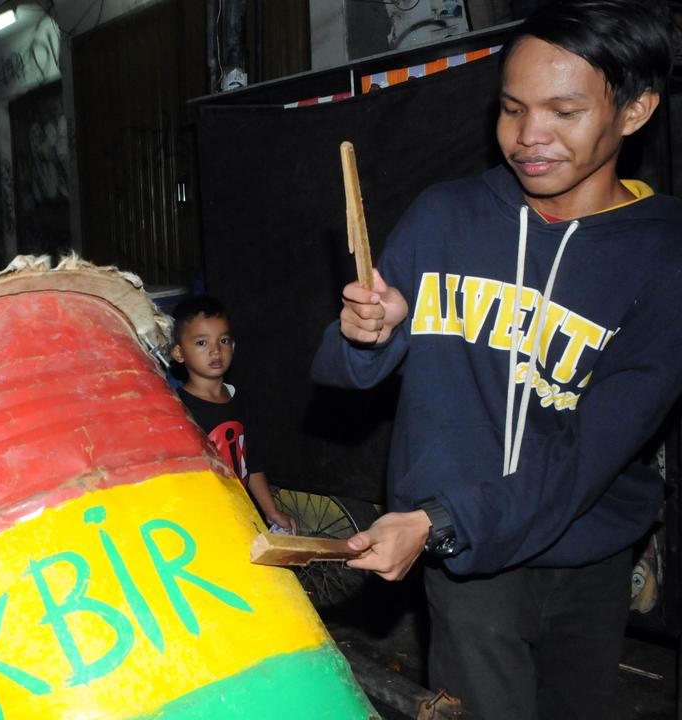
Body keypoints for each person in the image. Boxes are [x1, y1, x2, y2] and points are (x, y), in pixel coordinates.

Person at [310, 2, 681, 718]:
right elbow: (344, 371)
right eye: (512, 109)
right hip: (465, 560)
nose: (528, 137)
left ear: (634, 113)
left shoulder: (664, 258)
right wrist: (368, 335)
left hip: (588, 547)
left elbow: (594, 448)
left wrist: (439, 520)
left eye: (563, 111)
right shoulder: (445, 216)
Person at [170, 296, 296, 532]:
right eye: (201, 343)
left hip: (243, 514)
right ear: (179, 353)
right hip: (202, 522)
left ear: (233, 346)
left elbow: (252, 463)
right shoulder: (176, 409)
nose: (216, 350)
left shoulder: (241, 400)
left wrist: (271, 511)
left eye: (224, 340)